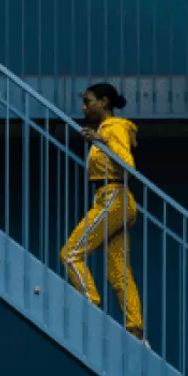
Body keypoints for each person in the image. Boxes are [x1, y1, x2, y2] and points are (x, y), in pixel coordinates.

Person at [59, 83, 149, 347]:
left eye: (88, 101)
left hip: (113, 198)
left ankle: (91, 307)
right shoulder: (106, 130)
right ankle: (136, 332)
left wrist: (102, 141)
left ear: (105, 102)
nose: (84, 107)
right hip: (112, 198)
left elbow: (127, 164)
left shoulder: (114, 128)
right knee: (118, 272)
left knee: (70, 254)